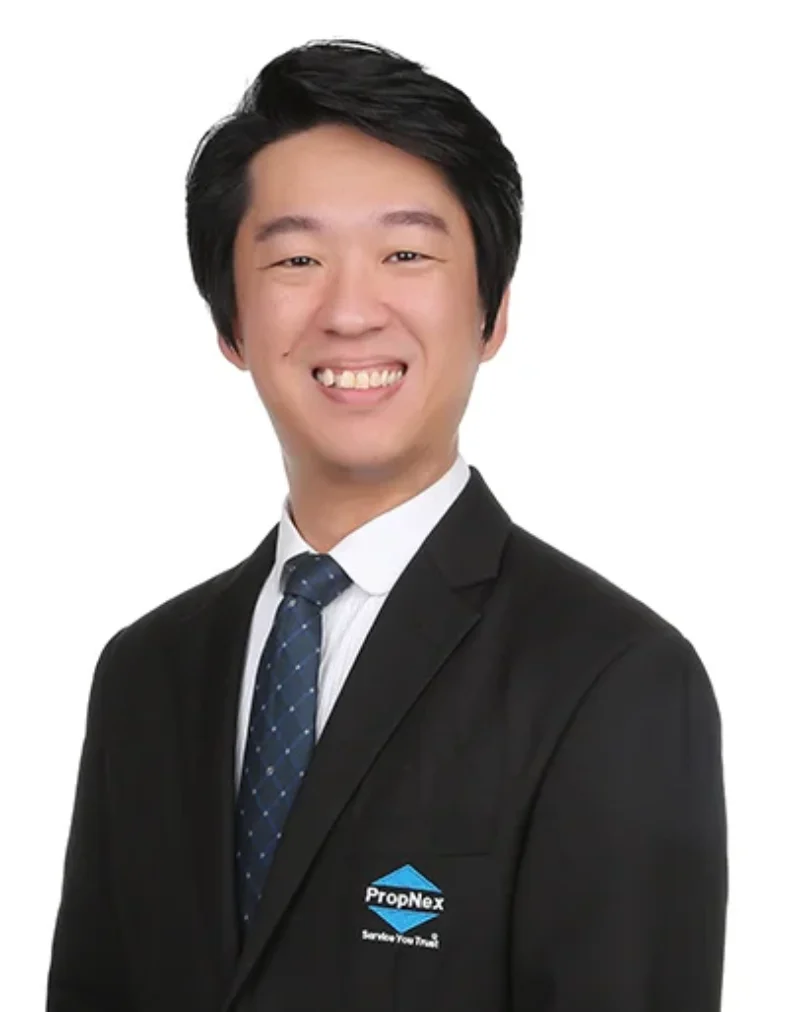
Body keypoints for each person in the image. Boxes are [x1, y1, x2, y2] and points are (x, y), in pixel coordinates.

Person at [46, 37, 727, 1012]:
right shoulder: (144, 674)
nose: (350, 311)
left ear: (490, 313)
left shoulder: (613, 677)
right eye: (296, 258)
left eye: (406, 254)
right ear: (230, 325)